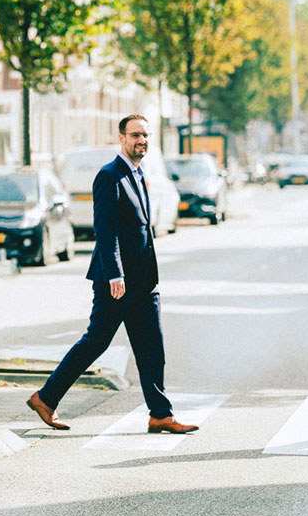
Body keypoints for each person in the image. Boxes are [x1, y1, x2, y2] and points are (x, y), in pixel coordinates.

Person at [26, 114, 197, 435]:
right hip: (115, 282)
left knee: (152, 348)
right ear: (121, 139)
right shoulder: (110, 176)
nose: (141, 140)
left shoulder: (139, 173)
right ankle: (45, 398)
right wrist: (115, 275)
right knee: (95, 342)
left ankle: (160, 413)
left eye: (145, 135)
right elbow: (106, 232)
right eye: (135, 135)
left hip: (144, 282)